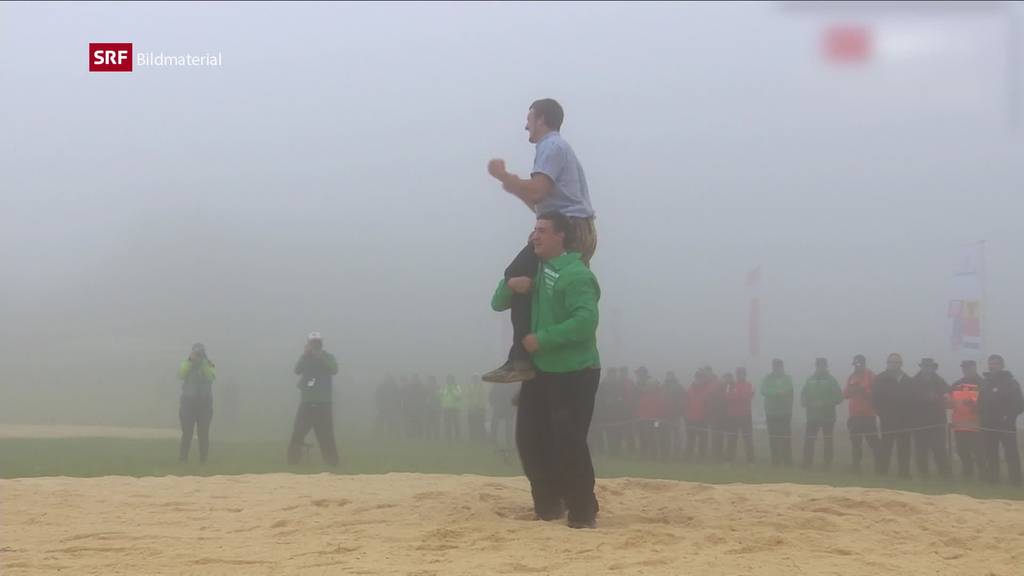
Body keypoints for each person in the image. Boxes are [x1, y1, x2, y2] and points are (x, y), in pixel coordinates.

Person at [491, 211, 601, 529]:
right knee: (528, 439)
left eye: (542, 230)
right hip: (540, 373)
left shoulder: (576, 274)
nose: (534, 236)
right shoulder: (533, 269)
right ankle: (548, 505)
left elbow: (585, 322)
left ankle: (582, 511)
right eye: (533, 229)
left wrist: (543, 339)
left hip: (576, 371)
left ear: (560, 237)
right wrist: (512, 283)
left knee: (567, 440)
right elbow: (497, 303)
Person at [484, 99, 597, 384]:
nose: (526, 126)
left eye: (529, 119)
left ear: (542, 119)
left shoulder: (551, 146)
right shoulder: (554, 149)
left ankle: (524, 358)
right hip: (568, 226)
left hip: (568, 229)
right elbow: (540, 203)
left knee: (519, 276)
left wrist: (506, 176)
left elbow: (537, 191)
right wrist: (511, 183)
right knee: (535, 289)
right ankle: (528, 357)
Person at [287, 332, 340, 467]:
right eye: (312, 343)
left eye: (317, 343)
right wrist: (305, 355)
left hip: (324, 403)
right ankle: (292, 463)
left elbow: (334, 369)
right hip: (307, 402)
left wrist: (320, 357)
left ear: (321, 343)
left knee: (326, 436)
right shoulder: (306, 358)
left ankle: (332, 464)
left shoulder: (328, 356)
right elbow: (297, 370)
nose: (315, 345)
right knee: (298, 433)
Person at [978, 354, 1023, 485]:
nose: (993, 366)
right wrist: (981, 413)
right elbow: (981, 402)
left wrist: (1008, 417)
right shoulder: (985, 383)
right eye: (991, 363)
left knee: (1011, 454)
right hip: (988, 424)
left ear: (1002, 365)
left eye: (996, 363)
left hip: (1006, 425)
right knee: (991, 453)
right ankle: (993, 479)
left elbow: (1019, 404)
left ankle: (1016, 481)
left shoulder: (1011, 382)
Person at [872, 353, 914, 478]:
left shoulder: (907, 380)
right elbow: (875, 399)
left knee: (904, 448)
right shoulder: (880, 379)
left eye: (896, 362)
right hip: (887, 420)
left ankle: (904, 473)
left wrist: (909, 417)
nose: (894, 364)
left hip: (905, 421)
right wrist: (882, 414)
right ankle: (882, 472)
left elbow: (912, 399)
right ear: (887, 363)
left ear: (901, 364)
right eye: (891, 362)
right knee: (885, 447)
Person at [909, 358, 952, 479]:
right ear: (921, 367)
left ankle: (945, 474)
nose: (927, 369)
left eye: (929, 367)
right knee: (921, 450)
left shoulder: (939, 381)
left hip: (937, 421)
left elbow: (947, 393)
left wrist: (943, 398)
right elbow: (911, 399)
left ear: (933, 368)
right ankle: (923, 474)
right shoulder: (914, 381)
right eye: (925, 366)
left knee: (939, 448)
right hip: (919, 422)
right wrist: (927, 398)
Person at [801, 358, 844, 470]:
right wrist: (805, 402)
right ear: (816, 366)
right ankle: (807, 463)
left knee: (828, 440)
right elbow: (803, 394)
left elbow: (839, 397)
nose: (821, 367)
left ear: (826, 366)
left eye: (823, 365)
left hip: (828, 417)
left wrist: (824, 403)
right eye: (819, 365)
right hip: (812, 417)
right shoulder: (809, 380)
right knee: (809, 440)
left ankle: (827, 464)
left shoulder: (832, 380)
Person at [177, 343, 215, 463]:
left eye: (200, 353)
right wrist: (190, 361)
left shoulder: (209, 364)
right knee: (187, 433)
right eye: (195, 353)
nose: (197, 355)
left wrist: (203, 363)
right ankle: (183, 459)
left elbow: (211, 377)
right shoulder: (186, 363)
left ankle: (203, 460)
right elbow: (181, 374)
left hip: (204, 405)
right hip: (188, 404)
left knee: (203, 433)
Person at [844, 354, 879, 474]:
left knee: (873, 442)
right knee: (856, 443)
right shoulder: (851, 377)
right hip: (854, 415)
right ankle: (856, 467)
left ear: (864, 364)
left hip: (868, 415)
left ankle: (879, 467)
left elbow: (876, 393)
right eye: (855, 364)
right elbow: (845, 394)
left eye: (859, 364)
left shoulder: (871, 376)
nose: (857, 366)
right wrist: (852, 390)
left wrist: (864, 391)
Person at [949, 360, 984, 480]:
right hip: (959, 425)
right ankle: (967, 474)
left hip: (977, 426)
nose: (966, 369)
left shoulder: (983, 384)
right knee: (962, 451)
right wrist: (946, 402)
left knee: (979, 452)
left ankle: (983, 475)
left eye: (968, 367)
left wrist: (976, 405)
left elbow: (988, 403)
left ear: (974, 367)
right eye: (964, 367)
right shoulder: (956, 384)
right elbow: (950, 403)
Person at [761, 359, 794, 467]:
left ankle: (787, 460)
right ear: (772, 367)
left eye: (779, 366)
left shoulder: (787, 378)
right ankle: (775, 461)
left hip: (785, 411)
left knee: (786, 437)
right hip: (771, 412)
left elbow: (789, 390)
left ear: (782, 366)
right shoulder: (768, 378)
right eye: (775, 366)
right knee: (773, 437)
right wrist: (776, 393)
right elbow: (763, 390)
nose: (777, 368)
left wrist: (782, 393)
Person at [725, 367, 755, 464]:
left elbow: (748, 396)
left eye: (742, 374)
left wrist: (737, 396)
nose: (740, 375)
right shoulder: (730, 385)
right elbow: (727, 397)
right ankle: (729, 460)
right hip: (732, 416)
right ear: (736, 375)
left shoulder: (749, 385)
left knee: (748, 439)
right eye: (739, 374)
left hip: (746, 415)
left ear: (745, 375)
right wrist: (739, 396)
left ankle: (751, 461)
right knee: (731, 439)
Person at [684, 369, 711, 462]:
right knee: (690, 440)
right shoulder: (690, 389)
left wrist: (707, 415)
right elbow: (686, 403)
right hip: (690, 419)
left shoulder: (707, 390)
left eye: (701, 377)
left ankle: (701, 458)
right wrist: (686, 416)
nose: (699, 379)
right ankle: (688, 457)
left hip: (702, 419)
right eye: (697, 377)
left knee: (703, 440)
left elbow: (709, 405)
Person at [489, 377, 517, 447]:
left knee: (508, 425)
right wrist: (492, 402)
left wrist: (514, 406)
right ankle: (493, 440)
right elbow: (492, 394)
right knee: (495, 423)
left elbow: (514, 395)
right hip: (500, 407)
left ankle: (508, 441)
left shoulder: (512, 384)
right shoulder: (497, 384)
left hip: (508, 408)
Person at [441, 375, 464, 443]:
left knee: (456, 423)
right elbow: (442, 394)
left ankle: (457, 438)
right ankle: (449, 438)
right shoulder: (445, 386)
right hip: (446, 408)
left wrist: (452, 390)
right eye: (448, 379)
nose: (449, 380)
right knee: (447, 424)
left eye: (450, 379)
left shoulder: (457, 386)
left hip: (454, 408)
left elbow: (459, 395)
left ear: (453, 379)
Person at [465, 375, 487, 443]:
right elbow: (467, 395)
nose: (474, 380)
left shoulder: (481, 386)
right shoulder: (470, 386)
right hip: (471, 408)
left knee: (480, 424)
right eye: (473, 378)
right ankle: (472, 438)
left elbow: (484, 396)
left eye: (475, 378)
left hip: (480, 408)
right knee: (472, 424)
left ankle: (481, 438)